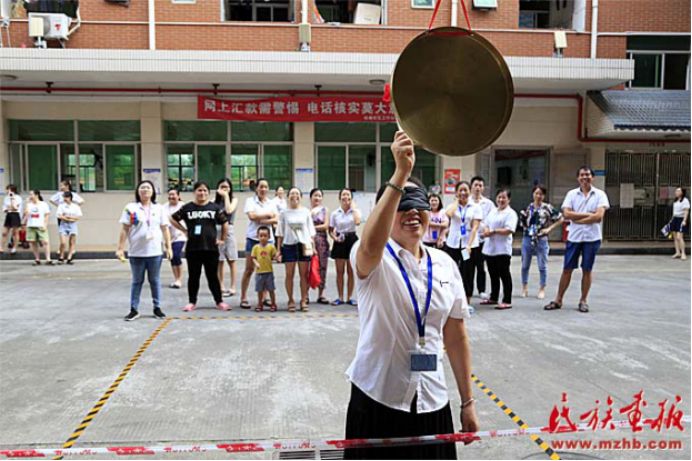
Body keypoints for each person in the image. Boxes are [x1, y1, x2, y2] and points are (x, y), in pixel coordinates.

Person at [345, 131, 478, 460]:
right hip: (378, 397)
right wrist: (400, 173)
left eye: (419, 204)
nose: (413, 212)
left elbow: (456, 336)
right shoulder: (373, 259)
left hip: (432, 397)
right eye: (401, 204)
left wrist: (468, 402)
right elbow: (370, 245)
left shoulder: (445, 264)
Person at [544, 166, 610, 313]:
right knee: (567, 269)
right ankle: (558, 299)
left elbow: (599, 216)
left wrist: (578, 218)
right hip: (574, 237)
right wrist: (588, 215)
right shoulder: (571, 194)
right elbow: (567, 214)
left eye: (587, 175)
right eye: (582, 175)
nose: (585, 177)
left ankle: (583, 300)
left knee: (587, 269)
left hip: (592, 238)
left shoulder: (600, 195)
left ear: (592, 177)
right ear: (578, 178)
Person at [116, 180, 173, 321]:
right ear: (138, 191)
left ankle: (157, 308)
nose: (145, 190)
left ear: (153, 191)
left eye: (148, 187)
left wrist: (168, 247)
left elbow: (165, 228)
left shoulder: (159, 208)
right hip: (136, 252)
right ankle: (134, 309)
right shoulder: (130, 208)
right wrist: (120, 248)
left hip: (154, 252)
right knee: (137, 281)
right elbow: (125, 229)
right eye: (142, 187)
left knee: (155, 280)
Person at [170, 181, 231, 312]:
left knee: (212, 276)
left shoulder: (214, 208)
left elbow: (225, 222)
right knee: (193, 276)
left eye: (204, 190)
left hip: (211, 248)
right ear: (194, 192)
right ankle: (192, 302)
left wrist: (222, 239)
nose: (202, 193)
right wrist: (184, 230)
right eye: (199, 190)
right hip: (193, 248)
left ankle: (219, 301)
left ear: (208, 193)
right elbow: (172, 218)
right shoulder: (187, 208)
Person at [519, 184, 563, 299]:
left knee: (542, 265)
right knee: (525, 265)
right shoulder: (528, 208)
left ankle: (542, 288)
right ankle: (524, 287)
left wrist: (549, 229)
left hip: (541, 238)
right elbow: (522, 223)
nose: (538, 196)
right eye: (536, 193)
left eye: (541, 194)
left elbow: (560, 218)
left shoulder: (547, 208)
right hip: (528, 238)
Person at [240, 178, 278, 309]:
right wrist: (268, 214)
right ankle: (243, 297)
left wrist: (262, 221)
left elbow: (276, 219)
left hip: (268, 241)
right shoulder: (250, 201)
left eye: (265, 187)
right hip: (253, 239)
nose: (263, 189)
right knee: (249, 269)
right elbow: (252, 216)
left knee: (266, 269)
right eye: (261, 186)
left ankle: (264, 297)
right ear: (256, 188)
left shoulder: (271, 202)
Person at [276, 187, 316, 312]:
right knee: (289, 274)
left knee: (304, 275)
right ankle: (290, 300)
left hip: (304, 245)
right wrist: (278, 250)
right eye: (292, 193)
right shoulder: (284, 213)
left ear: (301, 197)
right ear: (288, 197)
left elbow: (311, 231)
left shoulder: (306, 212)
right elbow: (280, 233)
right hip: (289, 245)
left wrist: (313, 247)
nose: (294, 196)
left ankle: (303, 299)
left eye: (297, 193)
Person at [479, 188, 518, 310]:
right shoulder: (493, 211)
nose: (501, 200)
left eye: (504, 198)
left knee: (504, 274)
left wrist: (493, 231)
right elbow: (486, 224)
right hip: (490, 249)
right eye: (499, 197)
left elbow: (509, 229)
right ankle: (494, 297)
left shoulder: (510, 213)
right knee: (493, 274)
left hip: (502, 250)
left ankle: (507, 300)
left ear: (509, 199)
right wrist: (486, 231)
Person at [444, 181, 482, 303]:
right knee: (451, 269)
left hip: (467, 245)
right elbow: (449, 214)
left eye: (465, 190)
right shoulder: (453, 206)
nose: (463, 192)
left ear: (470, 191)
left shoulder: (475, 207)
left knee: (467, 271)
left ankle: (467, 299)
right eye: (460, 190)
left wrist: (469, 246)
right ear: (456, 192)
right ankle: (451, 298)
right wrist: (457, 201)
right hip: (453, 244)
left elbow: (475, 227)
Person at [329, 188, 361, 306]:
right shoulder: (335, 213)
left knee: (351, 271)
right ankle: (340, 297)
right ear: (339, 198)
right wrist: (334, 238)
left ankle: (349, 297)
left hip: (352, 239)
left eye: (348, 195)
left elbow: (357, 222)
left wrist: (353, 208)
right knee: (340, 271)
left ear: (351, 198)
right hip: (340, 240)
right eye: (343, 195)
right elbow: (330, 230)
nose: (345, 197)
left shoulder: (355, 211)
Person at [470, 176, 496, 299]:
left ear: (483, 188)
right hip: (468, 241)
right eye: (475, 185)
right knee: (467, 266)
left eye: (480, 185)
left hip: (482, 239)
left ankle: (481, 290)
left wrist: (486, 229)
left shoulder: (488, 204)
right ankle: (467, 290)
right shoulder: (466, 202)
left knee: (480, 266)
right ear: (471, 187)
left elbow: (492, 219)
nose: (478, 188)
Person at [214, 178, 239, 296]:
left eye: (226, 187)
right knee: (219, 260)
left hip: (229, 229)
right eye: (222, 187)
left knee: (231, 259)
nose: (224, 189)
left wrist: (225, 196)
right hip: (216, 230)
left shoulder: (234, 200)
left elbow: (229, 211)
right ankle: (221, 285)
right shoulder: (213, 202)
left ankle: (233, 286)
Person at [50, 180, 85, 263]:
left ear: (67, 186)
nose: (61, 187)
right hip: (63, 216)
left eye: (62, 185)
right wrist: (59, 206)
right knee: (62, 235)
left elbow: (81, 202)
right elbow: (51, 200)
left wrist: (74, 207)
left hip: (72, 218)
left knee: (72, 237)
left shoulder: (73, 195)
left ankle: (70, 254)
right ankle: (61, 252)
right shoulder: (59, 195)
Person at [309, 188, 331, 305]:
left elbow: (326, 226)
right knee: (308, 267)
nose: (317, 198)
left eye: (319, 196)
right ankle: (305, 294)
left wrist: (311, 227)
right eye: (315, 195)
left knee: (323, 266)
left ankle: (321, 294)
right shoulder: (307, 211)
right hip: (309, 240)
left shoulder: (324, 210)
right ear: (311, 197)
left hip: (322, 241)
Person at [163, 188, 186, 289]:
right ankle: (176, 279)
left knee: (176, 254)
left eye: (173, 194)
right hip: (169, 236)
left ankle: (179, 279)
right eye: (170, 195)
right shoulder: (164, 207)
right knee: (172, 258)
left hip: (181, 235)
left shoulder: (183, 206)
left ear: (178, 196)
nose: (171, 197)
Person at [251, 226, 278, 312]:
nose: (263, 238)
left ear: (269, 236)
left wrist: (277, 257)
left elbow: (274, 256)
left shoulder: (271, 247)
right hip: (259, 272)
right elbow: (253, 257)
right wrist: (256, 263)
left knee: (271, 289)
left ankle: (273, 304)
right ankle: (260, 303)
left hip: (269, 271)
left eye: (265, 236)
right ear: (257, 236)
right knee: (259, 290)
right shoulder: (256, 247)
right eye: (261, 236)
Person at [23, 190, 52, 266]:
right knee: (33, 242)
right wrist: (27, 203)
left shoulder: (43, 204)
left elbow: (47, 215)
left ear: (36, 195)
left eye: (31, 194)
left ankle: (48, 259)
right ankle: (37, 259)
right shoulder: (29, 204)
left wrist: (45, 224)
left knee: (45, 241)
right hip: (31, 225)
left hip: (40, 225)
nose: (30, 196)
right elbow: (26, 213)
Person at [56, 191, 83, 264]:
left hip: (73, 224)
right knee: (63, 242)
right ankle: (61, 256)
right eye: (64, 197)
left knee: (72, 242)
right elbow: (59, 215)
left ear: (70, 197)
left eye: (66, 197)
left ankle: (69, 257)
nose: (65, 199)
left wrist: (69, 218)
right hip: (63, 224)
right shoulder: (61, 206)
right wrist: (67, 218)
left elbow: (78, 216)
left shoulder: (75, 206)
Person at [1, 184, 23, 254]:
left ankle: (14, 248)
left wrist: (12, 198)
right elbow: (4, 209)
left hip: (15, 215)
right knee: (4, 233)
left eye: (8, 189)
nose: (7, 191)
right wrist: (9, 208)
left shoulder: (18, 197)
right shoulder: (6, 198)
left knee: (15, 232)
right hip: (9, 215)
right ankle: (1, 247)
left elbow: (15, 208)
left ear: (12, 190)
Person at [670, 187, 689, 261]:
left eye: (678, 191)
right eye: (676, 191)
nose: (676, 192)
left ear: (682, 192)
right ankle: (677, 252)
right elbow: (674, 211)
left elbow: (686, 211)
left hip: (681, 219)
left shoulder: (685, 200)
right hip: (675, 219)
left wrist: (684, 220)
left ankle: (683, 253)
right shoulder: (675, 200)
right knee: (675, 237)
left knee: (679, 237)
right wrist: (672, 220)